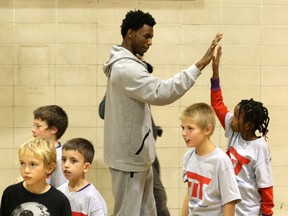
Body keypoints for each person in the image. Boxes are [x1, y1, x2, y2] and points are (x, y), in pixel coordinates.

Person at [103, 9, 222, 216]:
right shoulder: (126, 69)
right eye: (146, 36)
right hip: (130, 159)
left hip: (137, 157)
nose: (149, 42)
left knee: (148, 211)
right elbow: (162, 92)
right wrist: (200, 65)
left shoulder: (127, 65)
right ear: (130, 33)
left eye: (152, 37)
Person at [98, 61, 170, 216]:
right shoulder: (122, 86)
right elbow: (103, 111)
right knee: (147, 202)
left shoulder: (142, 91)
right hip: (131, 157)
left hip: (147, 153)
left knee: (157, 199)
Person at [210, 46, 274, 215]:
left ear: (248, 125)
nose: (232, 118)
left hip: (249, 211)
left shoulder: (260, 148)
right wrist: (215, 74)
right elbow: (217, 105)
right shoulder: (234, 132)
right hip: (230, 209)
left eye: (237, 116)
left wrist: (267, 213)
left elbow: (266, 185)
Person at [179, 103, 241, 216]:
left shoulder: (221, 161)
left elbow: (230, 202)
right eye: (183, 128)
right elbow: (190, 193)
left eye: (190, 128)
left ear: (207, 130)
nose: (184, 133)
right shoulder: (188, 157)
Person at [0, 137, 72, 216]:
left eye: (33, 164)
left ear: (50, 168)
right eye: (22, 163)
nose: (26, 170)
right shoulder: (10, 194)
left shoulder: (60, 201)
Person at [58, 138, 107, 216]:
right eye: (64, 160)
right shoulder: (59, 191)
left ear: (86, 167)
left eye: (73, 161)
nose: (66, 165)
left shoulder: (93, 198)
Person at [32, 105, 69, 188]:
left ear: (53, 129)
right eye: (33, 125)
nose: (33, 130)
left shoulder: (60, 157)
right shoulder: (35, 151)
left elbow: (61, 188)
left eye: (38, 126)